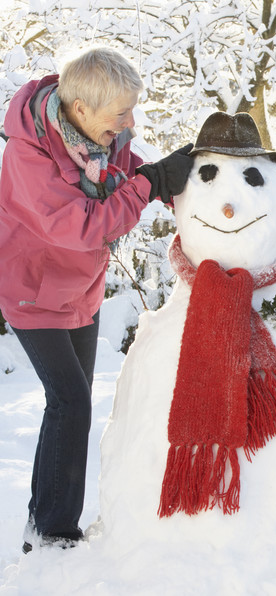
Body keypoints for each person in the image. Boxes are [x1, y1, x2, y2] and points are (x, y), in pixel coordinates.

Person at [0, 46, 194, 552]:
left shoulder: (103, 135)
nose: (129, 122)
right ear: (81, 108)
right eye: (120, 113)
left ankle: (40, 522)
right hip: (31, 290)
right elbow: (86, 226)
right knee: (71, 404)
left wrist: (187, 188)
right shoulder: (29, 154)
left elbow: (132, 175)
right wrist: (149, 185)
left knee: (68, 405)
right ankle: (53, 534)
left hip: (79, 288)